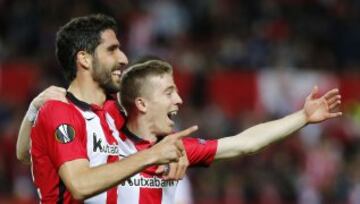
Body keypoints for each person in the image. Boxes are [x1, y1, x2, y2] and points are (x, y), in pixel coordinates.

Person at [19, 58, 342, 203]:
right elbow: (27, 155)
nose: (180, 99)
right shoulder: (94, 129)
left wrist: (302, 116)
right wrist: (35, 110)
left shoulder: (178, 150)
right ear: (142, 103)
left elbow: (244, 143)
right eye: (169, 91)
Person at [16, 14, 196, 203]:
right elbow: (26, 155)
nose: (123, 58)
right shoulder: (60, 110)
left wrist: (175, 150)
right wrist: (33, 110)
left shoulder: (113, 110)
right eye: (112, 50)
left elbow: (151, 129)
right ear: (84, 59)